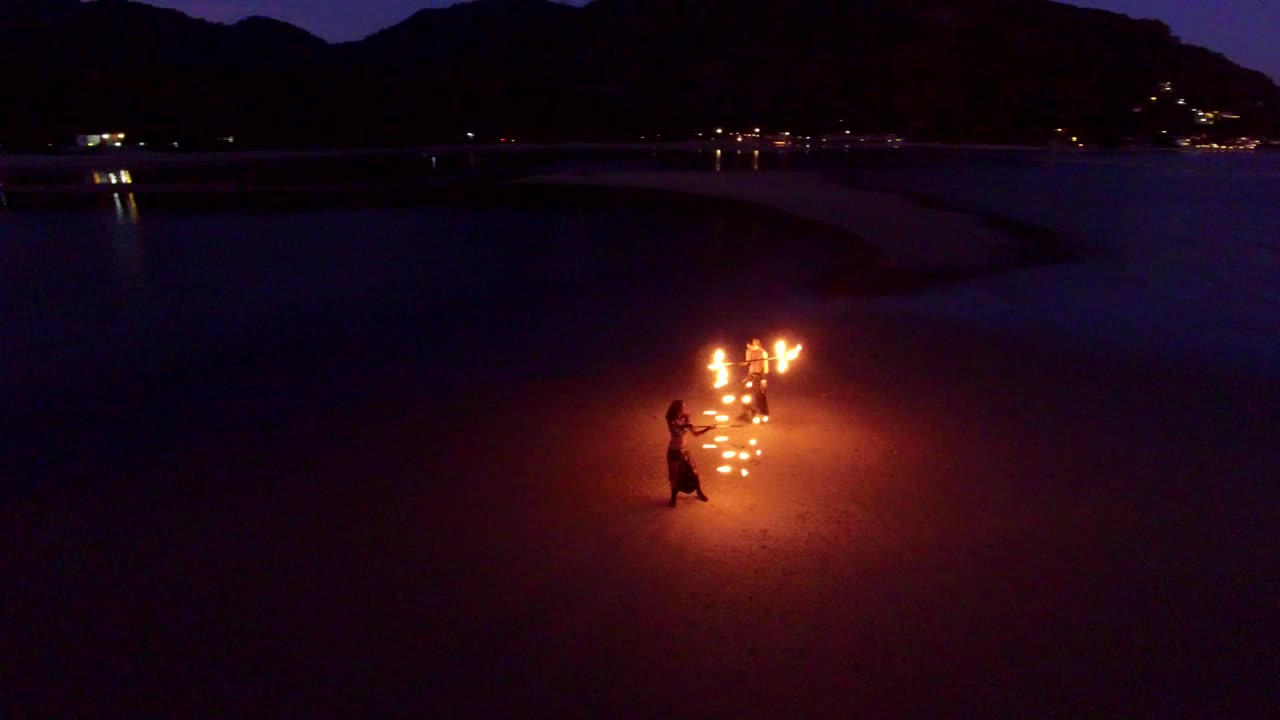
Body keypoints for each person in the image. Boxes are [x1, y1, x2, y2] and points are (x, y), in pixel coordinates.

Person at [665, 400, 710, 506]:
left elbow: (695, 434)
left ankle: (699, 492)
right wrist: (686, 426)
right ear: (677, 409)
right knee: (675, 476)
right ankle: (673, 498)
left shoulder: (685, 419)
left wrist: (707, 429)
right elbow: (676, 431)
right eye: (682, 407)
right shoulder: (671, 420)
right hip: (674, 452)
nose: (684, 409)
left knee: (694, 472)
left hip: (684, 451)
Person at [743, 338, 770, 419]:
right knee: (746, 393)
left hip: (760, 376)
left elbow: (766, 368)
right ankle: (749, 412)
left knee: (759, 394)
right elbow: (748, 363)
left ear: (756, 343)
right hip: (751, 375)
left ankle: (762, 412)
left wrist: (764, 380)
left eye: (751, 344)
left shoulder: (763, 353)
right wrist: (744, 363)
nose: (748, 346)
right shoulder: (748, 351)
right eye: (748, 345)